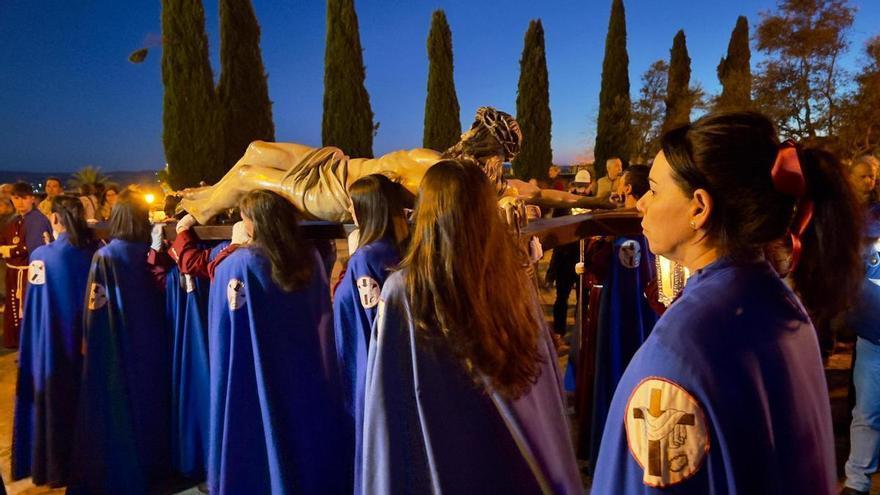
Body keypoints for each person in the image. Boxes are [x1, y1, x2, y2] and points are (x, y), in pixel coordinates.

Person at [591, 112, 861, 493]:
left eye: (654, 190)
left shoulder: (677, 351)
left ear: (699, 208)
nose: (642, 205)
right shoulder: (779, 300)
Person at [362, 159, 581, 493]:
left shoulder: (406, 290)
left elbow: (388, 407)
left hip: (447, 459)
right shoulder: (513, 278)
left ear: (427, 213)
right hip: (510, 460)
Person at [178, 107, 612, 225]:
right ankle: (204, 194)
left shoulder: (444, 171)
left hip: (339, 194)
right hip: (339, 165)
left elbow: (538, 195)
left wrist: (597, 203)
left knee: (247, 176)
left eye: (474, 129)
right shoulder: (457, 171)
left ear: (481, 142)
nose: (466, 132)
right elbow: (543, 194)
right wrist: (597, 201)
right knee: (256, 149)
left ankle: (196, 210)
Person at [207, 190, 351, 494]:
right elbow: (320, 311)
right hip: (302, 366)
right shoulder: (308, 257)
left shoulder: (238, 265)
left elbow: (223, 325)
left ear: (254, 222)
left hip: (256, 369)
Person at [68, 189, 171, 495]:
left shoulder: (106, 256)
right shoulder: (150, 252)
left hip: (117, 339)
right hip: (152, 339)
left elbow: (96, 304)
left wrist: (89, 339)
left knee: (117, 406)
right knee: (149, 400)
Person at [12, 195, 96, 487]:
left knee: (55, 403)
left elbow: (37, 307)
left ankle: (55, 465)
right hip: (87, 343)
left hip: (53, 343)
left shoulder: (41, 257)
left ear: (56, 219)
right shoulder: (95, 251)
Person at [331, 174, 409, 491]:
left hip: (365, 362)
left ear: (366, 209)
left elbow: (371, 317)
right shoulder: (398, 247)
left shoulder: (366, 257)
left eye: (353, 204)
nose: (349, 210)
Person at [0, 182, 53, 348]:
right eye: (16, 198)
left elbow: (35, 249)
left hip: (30, 273)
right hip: (14, 272)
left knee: (28, 307)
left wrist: (11, 250)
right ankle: (17, 340)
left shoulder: (37, 220)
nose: (20, 202)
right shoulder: (14, 219)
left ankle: (29, 344)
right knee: (15, 307)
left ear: (32, 199)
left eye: (24, 198)